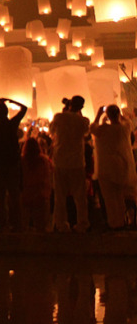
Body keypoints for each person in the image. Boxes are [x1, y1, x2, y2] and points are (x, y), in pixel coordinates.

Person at [50, 95, 91, 232]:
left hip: (60, 160)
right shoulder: (83, 120)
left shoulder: (59, 117)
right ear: (81, 107)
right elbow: (86, 132)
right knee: (80, 197)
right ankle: (82, 223)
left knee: (59, 196)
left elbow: (52, 131)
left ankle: (61, 224)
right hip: (77, 162)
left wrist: (65, 110)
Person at [90, 104, 135, 230]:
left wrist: (99, 115)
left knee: (110, 198)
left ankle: (114, 223)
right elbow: (128, 122)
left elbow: (93, 128)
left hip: (106, 168)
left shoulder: (103, 130)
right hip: (122, 167)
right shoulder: (124, 129)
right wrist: (119, 114)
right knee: (121, 197)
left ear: (108, 115)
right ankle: (124, 220)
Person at [0, 97, 28, 230]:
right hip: (12, 163)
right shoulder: (12, 124)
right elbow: (24, 109)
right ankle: (16, 223)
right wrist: (10, 101)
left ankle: (0, 223)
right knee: (14, 195)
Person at [21, 134, 53, 232]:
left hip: (26, 193)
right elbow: (48, 175)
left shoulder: (22, 160)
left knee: (24, 224)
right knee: (41, 225)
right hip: (40, 193)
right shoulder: (44, 160)